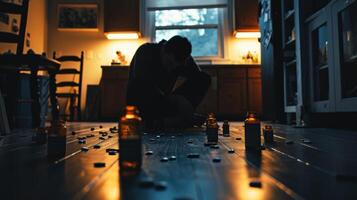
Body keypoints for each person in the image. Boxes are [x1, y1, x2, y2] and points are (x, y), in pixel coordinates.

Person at [126, 35, 211, 130]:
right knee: (140, 86)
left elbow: (199, 78)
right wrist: (176, 100)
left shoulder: (184, 58)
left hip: (165, 102)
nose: (172, 68)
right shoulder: (145, 51)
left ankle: (173, 119)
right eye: (169, 63)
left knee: (204, 78)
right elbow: (142, 84)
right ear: (164, 51)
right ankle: (172, 119)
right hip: (142, 102)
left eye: (177, 67)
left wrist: (187, 102)